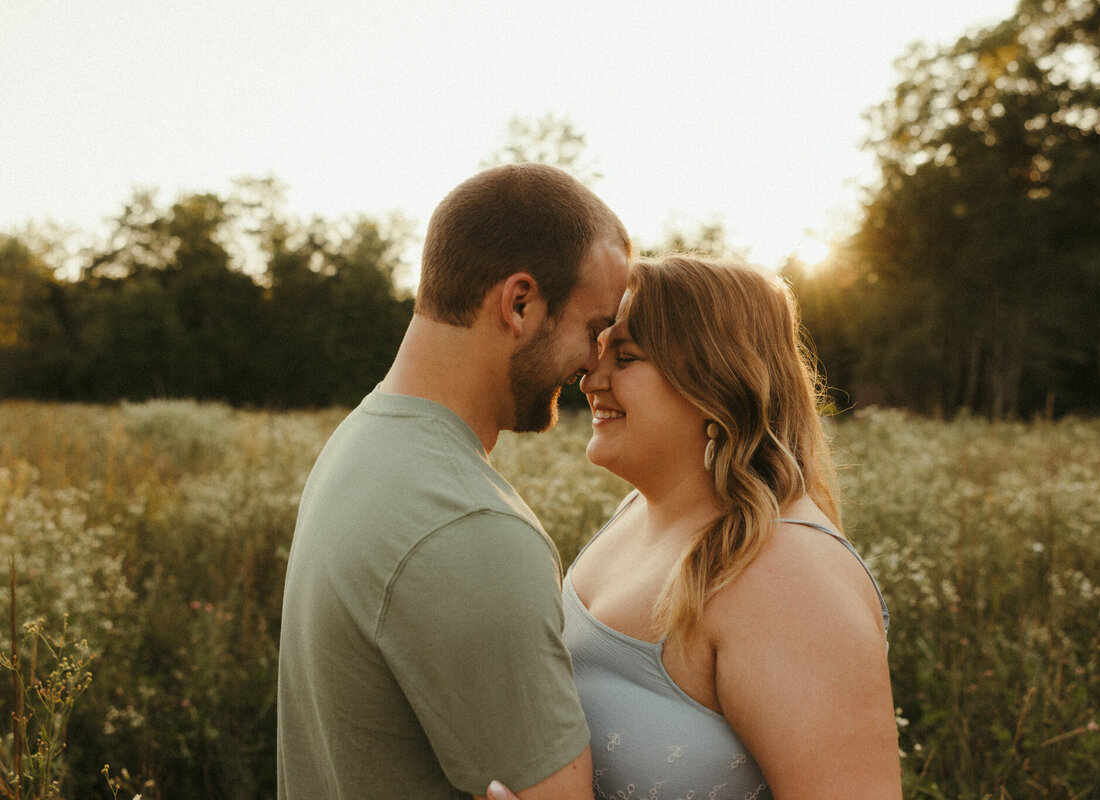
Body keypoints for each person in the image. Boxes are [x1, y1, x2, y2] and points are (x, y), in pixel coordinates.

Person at [276, 163, 631, 800]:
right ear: (519, 303)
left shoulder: (363, 442)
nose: (595, 363)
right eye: (593, 327)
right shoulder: (469, 527)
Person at [490, 255, 901, 800]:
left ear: (716, 383)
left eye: (627, 356)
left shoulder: (788, 576)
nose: (592, 375)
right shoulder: (638, 508)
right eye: (599, 348)